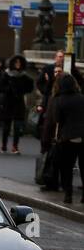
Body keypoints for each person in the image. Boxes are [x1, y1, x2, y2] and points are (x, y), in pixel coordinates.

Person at [46, 75, 84, 204]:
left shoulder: (59, 100)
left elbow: (57, 119)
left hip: (67, 137)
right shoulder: (81, 98)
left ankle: (68, 194)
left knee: (67, 167)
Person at [0, 55, 35, 154]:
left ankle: (15, 146)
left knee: (17, 126)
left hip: (19, 102)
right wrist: (8, 89)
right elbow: (0, 87)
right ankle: (4, 144)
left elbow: (30, 87)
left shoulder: (24, 76)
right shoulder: (6, 74)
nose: (18, 64)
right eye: (16, 63)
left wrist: (22, 90)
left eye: (19, 63)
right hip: (8, 102)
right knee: (6, 126)